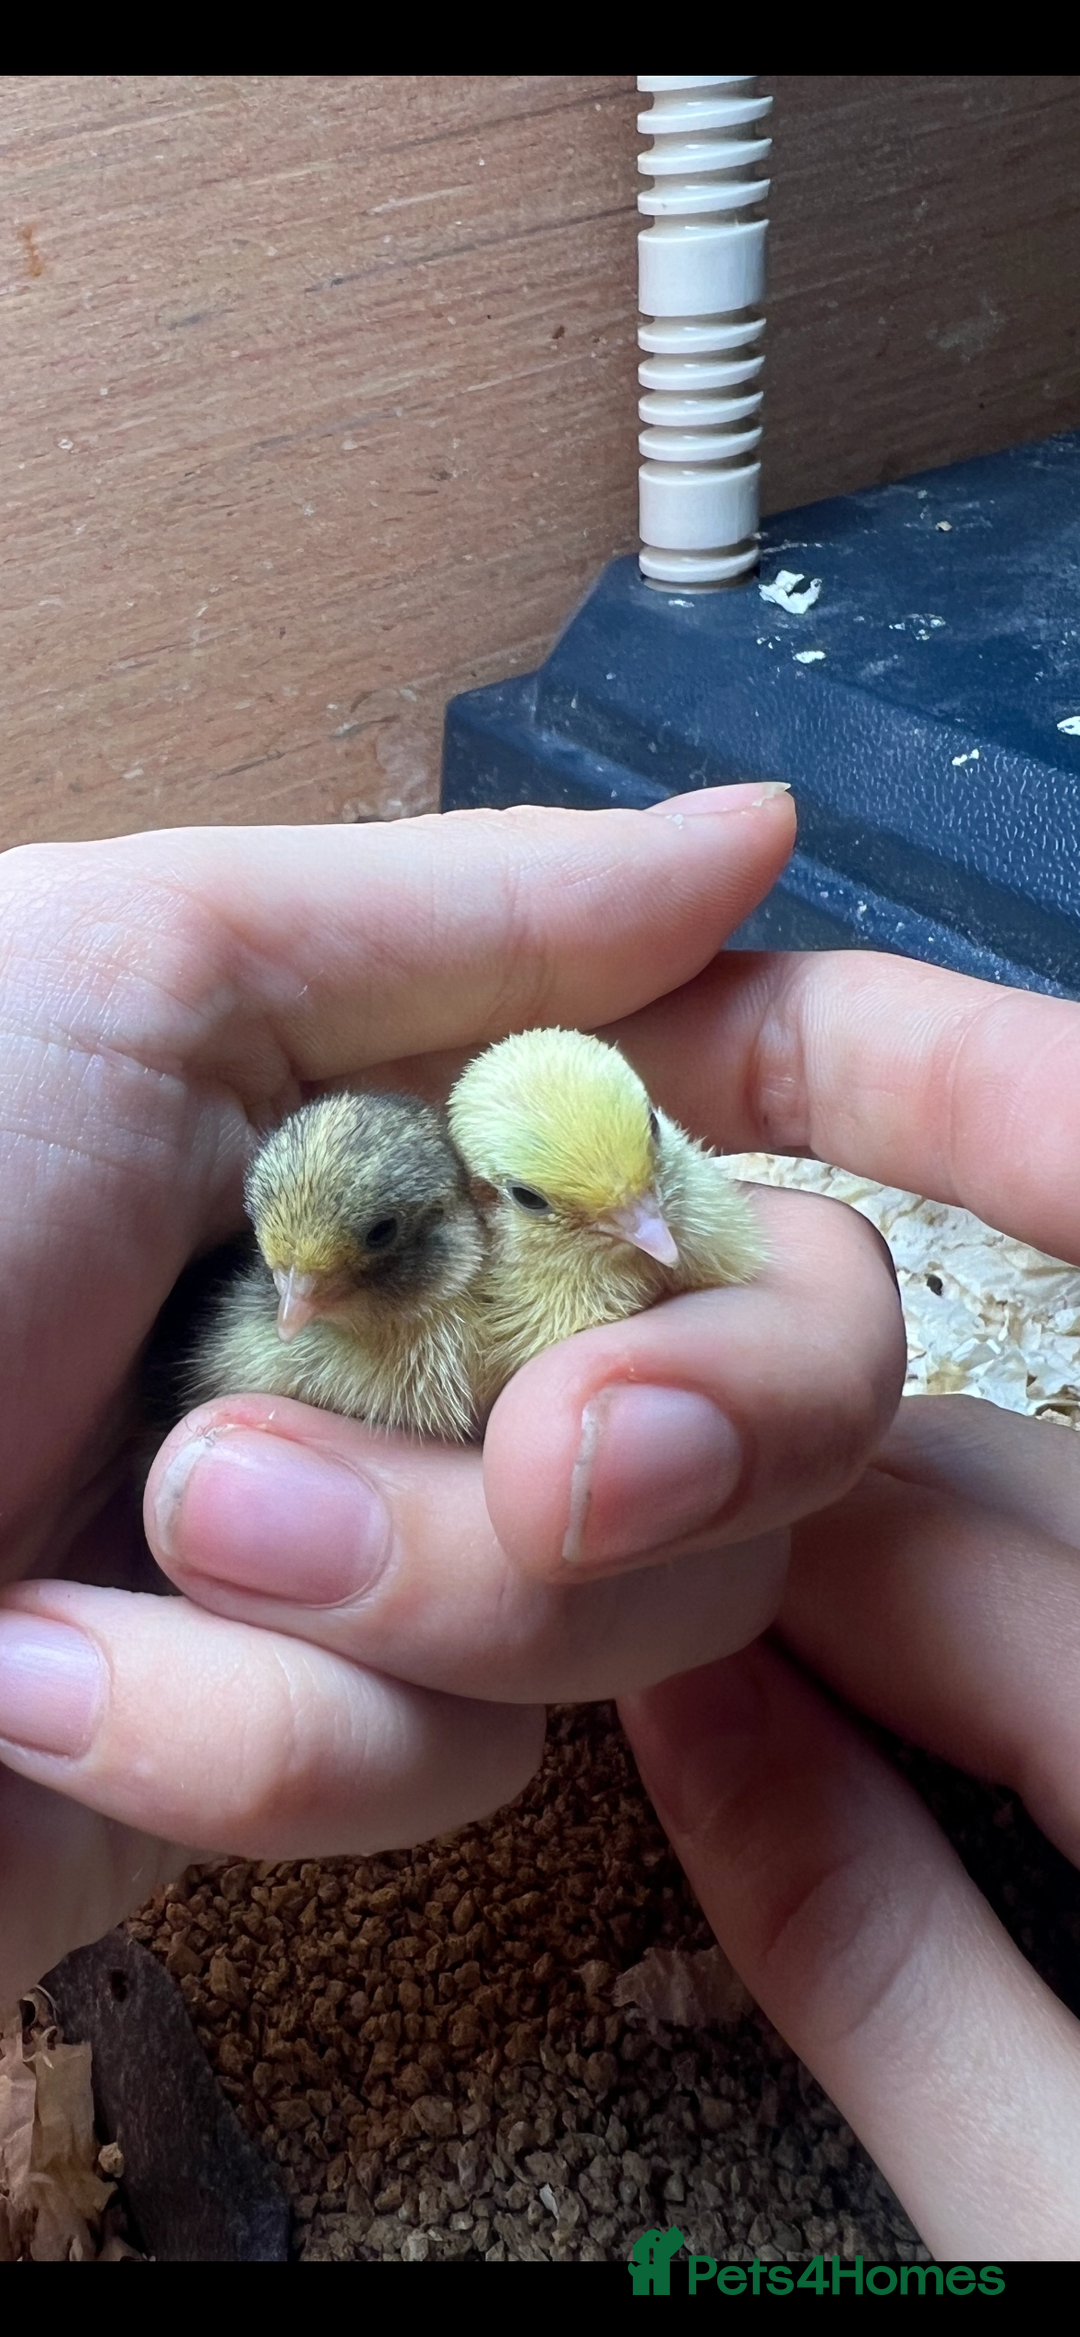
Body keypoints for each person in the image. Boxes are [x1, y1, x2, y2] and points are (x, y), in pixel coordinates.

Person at [0, 788, 1076, 2259]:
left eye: (640, 1172)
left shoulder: (586, 1212)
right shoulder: (403, 1284)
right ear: (482, 1202)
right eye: (560, 1208)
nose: (638, 1227)